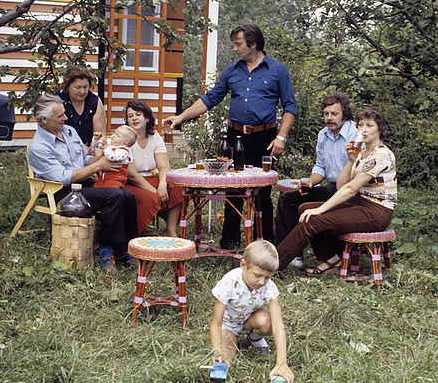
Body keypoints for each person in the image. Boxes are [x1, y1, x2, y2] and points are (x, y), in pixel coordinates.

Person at [165, 23, 297, 248]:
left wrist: (281, 137)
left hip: (265, 138)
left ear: (253, 44)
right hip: (234, 137)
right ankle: (229, 241)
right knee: (232, 188)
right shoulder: (232, 71)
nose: (235, 48)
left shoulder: (278, 70)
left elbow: (290, 106)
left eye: (238, 44)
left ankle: (263, 243)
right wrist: (180, 118)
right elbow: (209, 99)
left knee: (262, 193)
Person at [275, 107, 396, 274]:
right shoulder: (362, 153)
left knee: (313, 218)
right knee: (304, 208)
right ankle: (332, 260)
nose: (364, 130)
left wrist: (320, 209)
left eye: (370, 126)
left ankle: (271, 266)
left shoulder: (381, 155)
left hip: (377, 211)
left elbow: (351, 189)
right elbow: (341, 184)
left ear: (380, 129)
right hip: (362, 205)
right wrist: (350, 161)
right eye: (360, 125)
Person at [28, 94, 138, 271]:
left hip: (84, 184)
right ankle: (106, 250)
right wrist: (99, 165)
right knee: (115, 196)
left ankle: (126, 246)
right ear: (44, 120)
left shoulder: (69, 131)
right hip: (62, 193)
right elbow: (63, 177)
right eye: (60, 116)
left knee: (129, 195)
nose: (66, 118)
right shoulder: (38, 147)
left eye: (64, 113)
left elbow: (86, 159)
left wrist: (103, 156)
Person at [274, 92, 359, 268]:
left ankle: (327, 254)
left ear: (345, 113)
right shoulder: (323, 135)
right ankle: (291, 255)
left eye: (334, 114)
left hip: (353, 191)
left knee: (313, 209)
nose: (329, 118)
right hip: (332, 187)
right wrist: (311, 181)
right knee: (288, 199)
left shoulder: (356, 135)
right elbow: (320, 166)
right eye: (326, 114)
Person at [210, 240, 294, 383]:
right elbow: (216, 323)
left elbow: (278, 326)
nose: (262, 282)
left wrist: (282, 363)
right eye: (258, 275)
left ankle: (254, 338)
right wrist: (217, 351)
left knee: (267, 321)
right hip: (229, 324)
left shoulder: (269, 287)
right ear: (243, 265)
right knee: (226, 359)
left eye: (267, 277)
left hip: (250, 319)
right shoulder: (229, 282)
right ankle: (229, 344)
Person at [123, 100, 183, 236]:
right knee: (150, 198)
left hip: (152, 177)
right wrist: (155, 191)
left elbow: (164, 166)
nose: (134, 119)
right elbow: (131, 174)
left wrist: (162, 184)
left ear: (147, 118)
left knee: (176, 188)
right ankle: (135, 236)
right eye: (130, 116)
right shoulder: (125, 138)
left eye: (138, 115)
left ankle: (171, 231)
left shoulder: (155, 137)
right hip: (131, 182)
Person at [54, 65, 106, 146]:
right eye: (77, 87)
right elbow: (52, 133)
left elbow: (100, 136)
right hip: (63, 149)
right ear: (68, 87)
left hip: (90, 151)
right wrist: (80, 148)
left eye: (85, 87)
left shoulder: (95, 102)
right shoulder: (57, 100)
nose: (82, 91)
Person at [92, 125, 137, 189]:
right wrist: (97, 139)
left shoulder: (124, 152)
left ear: (125, 143)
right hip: (103, 177)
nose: (113, 135)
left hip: (115, 179)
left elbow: (112, 157)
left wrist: (105, 146)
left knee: (111, 192)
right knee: (95, 189)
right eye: (115, 133)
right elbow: (97, 145)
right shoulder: (111, 145)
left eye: (118, 135)